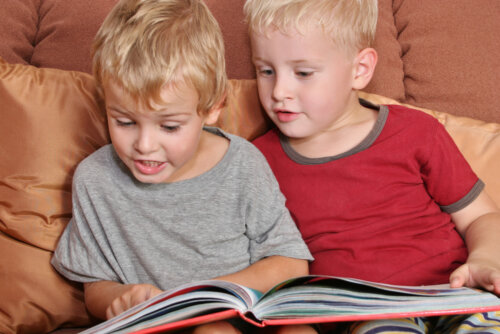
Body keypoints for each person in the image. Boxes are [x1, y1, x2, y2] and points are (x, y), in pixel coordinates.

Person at [51, 0, 313, 333]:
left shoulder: (243, 164)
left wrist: (204, 297)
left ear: (213, 107)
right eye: (124, 121)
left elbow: (291, 265)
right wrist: (120, 298)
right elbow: (95, 287)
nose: (144, 145)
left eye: (169, 126)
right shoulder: (95, 179)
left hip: (249, 317)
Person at [244, 0, 500, 333]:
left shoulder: (416, 132)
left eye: (303, 73)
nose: (279, 91)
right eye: (266, 71)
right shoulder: (255, 161)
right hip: (369, 313)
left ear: (359, 70)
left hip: (454, 293)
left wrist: (486, 259)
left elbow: (481, 216)